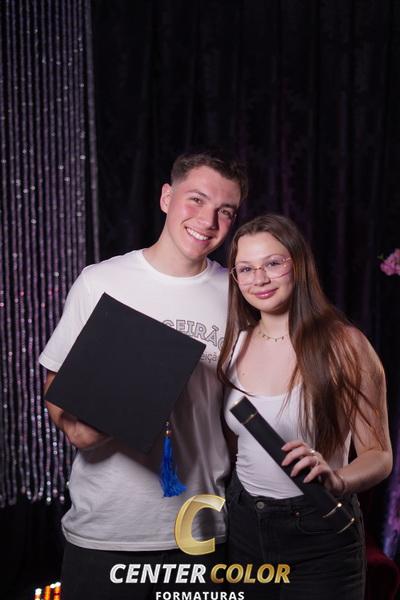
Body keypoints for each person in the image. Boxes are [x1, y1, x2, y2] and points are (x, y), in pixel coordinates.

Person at [39, 148, 248, 599]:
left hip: (199, 529)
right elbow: (55, 380)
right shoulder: (101, 281)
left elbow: (238, 409)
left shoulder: (237, 294)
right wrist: (74, 425)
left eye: (225, 211)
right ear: (167, 197)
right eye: (196, 200)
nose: (208, 221)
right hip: (106, 528)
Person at [217, 213, 392, 599]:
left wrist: (337, 479)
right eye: (245, 269)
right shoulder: (233, 346)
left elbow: (379, 455)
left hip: (320, 531)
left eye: (272, 263)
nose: (259, 279)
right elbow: (233, 448)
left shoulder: (345, 345)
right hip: (245, 527)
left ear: (298, 264)